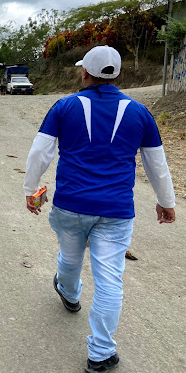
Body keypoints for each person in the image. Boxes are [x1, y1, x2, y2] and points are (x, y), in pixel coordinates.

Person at [23, 45, 176, 373]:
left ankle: (69, 291)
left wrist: (31, 189)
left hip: (70, 205)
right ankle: (101, 353)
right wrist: (166, 202)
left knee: (70, 256)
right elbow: (157, 164)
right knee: (109, 279)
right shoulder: (140, 112)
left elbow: (40, 153)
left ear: (85, 72)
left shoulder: (64, 106)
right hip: (116, 211)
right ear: (117, 74)